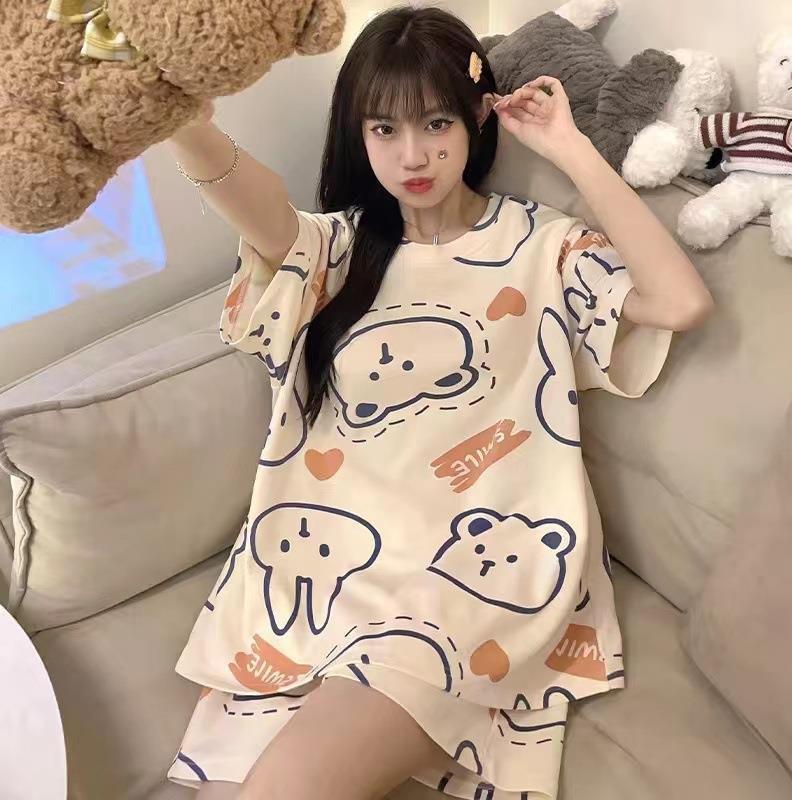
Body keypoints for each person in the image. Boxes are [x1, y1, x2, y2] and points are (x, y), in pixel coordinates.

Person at [164, 6, 714, 800]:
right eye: (384, 130)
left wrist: (570, 148)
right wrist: (184, 126)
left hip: (463, 586)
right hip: (322, 574)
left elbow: (680, 303)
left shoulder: (543, 246)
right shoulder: (339, 250)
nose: (413, 156)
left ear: (477, 117)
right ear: (358, 135)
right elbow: (265, 215)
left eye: (435, 123)